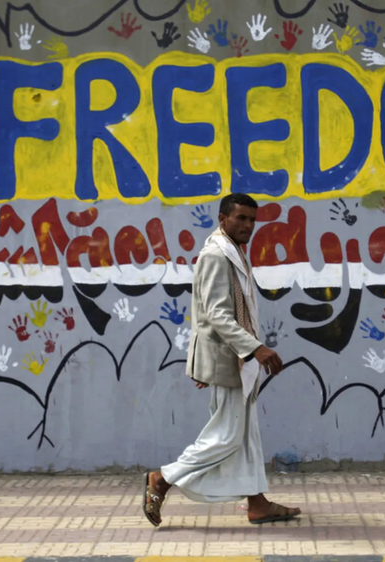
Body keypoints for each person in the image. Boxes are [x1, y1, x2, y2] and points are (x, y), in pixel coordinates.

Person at [142, 193, 301, 527]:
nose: (247, 225)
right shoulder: (217, 254)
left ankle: (258, 504)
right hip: (233, 359)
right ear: (222, 218)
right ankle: (163, 478)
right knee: (228, 435)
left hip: (234, 359)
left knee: (246, 435)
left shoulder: (233, 251)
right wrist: (256, 348)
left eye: (251, 220)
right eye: (240, 218)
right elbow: (216, 314)